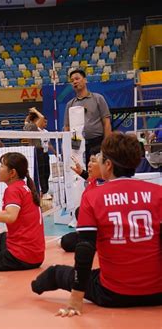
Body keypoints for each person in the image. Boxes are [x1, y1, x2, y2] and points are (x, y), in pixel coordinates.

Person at [31, 132, 161, 316]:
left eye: (100, 158)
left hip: (113, 294)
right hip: (158, 293)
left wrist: (76, 298)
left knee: (56, 272)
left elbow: (85, 249)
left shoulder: (93, 196)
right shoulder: (158, 193)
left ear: (108, 165)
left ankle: (35, 287)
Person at [64, 69, 111, 167]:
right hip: (77, 145)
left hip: (97, 143)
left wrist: (106, 144)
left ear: (85, 80)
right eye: (72, 81)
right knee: (80, 175)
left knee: (99, 171)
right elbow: (67, 127)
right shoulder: (70, 104)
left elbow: (106, 122)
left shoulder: (98, 98)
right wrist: (68, 147)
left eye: (77, 78)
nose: (75, 82)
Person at [60, 150, 104, 252]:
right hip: (92, 228)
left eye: (93, 161)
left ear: (105, 166)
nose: (89, 164)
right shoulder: (95, 181)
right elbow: (90, 178)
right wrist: (81, 172)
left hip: (100, 231)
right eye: (89, 161)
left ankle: (95, 242)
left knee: (66, 242)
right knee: (79, 211)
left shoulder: (106, 187)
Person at [23, 107, 49, 199]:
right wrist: (35, 111)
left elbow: (26, 120)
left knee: (35, 172)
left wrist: (29, 116)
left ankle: (36, 191)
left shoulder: (26, 126)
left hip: (31, 150)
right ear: (36, 119)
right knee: (41, 173)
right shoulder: (34, 127)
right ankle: (44, 192)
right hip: (38, 150)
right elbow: (41, 117)